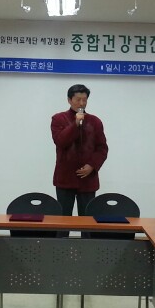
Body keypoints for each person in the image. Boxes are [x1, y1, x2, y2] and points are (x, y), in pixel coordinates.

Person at [50, 83, 108, 215]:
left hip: (88, 179)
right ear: (69, 100)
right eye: (78, 100)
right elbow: (60, 142)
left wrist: (92, 165)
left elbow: (102, 148)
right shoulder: (58, 119)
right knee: (63, 219)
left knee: (87, 220)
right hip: (65, 178)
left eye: (84, 100)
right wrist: (75, 124)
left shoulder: (95, 121)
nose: (82, 103)